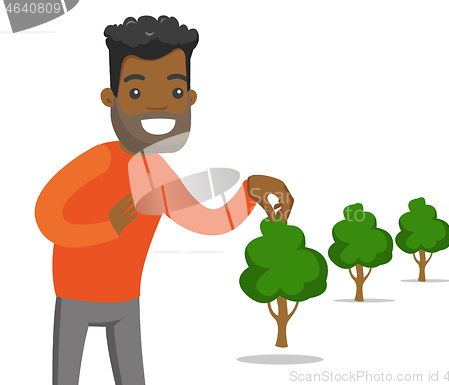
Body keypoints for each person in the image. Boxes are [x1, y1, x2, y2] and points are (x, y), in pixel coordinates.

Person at [35, 15, 294, 385]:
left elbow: (208, 221)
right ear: (111, 98)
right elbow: (46, 217)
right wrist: (106, 228)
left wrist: (250, 189)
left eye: (174, 93)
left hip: (126, 299)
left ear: (189, 98)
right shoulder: (100, 160)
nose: (157, 107)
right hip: (75, 297)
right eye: (137, 93)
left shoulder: (157, 172)